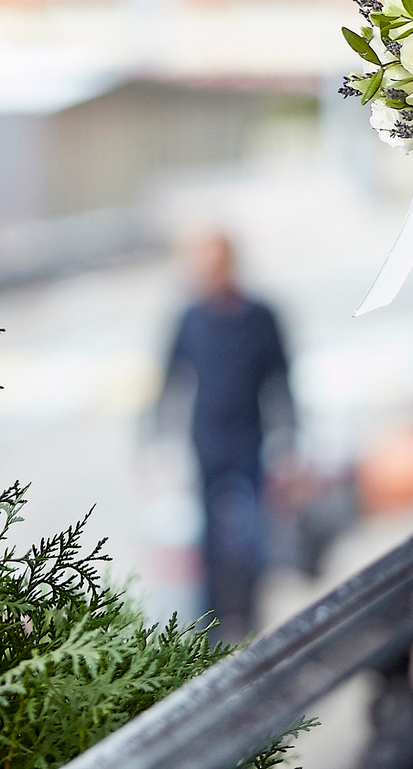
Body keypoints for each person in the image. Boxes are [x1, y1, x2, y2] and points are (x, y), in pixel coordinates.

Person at [157, 227, 293, 644]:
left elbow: (283, 380)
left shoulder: (261, 317)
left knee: (252, 534)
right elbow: (170, 380)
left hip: (250, 440)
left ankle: (249, 615)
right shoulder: (190, 319)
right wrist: (155, 443)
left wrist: (291, 441)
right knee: (207, 537)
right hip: (206, 441)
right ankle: (209, 619)